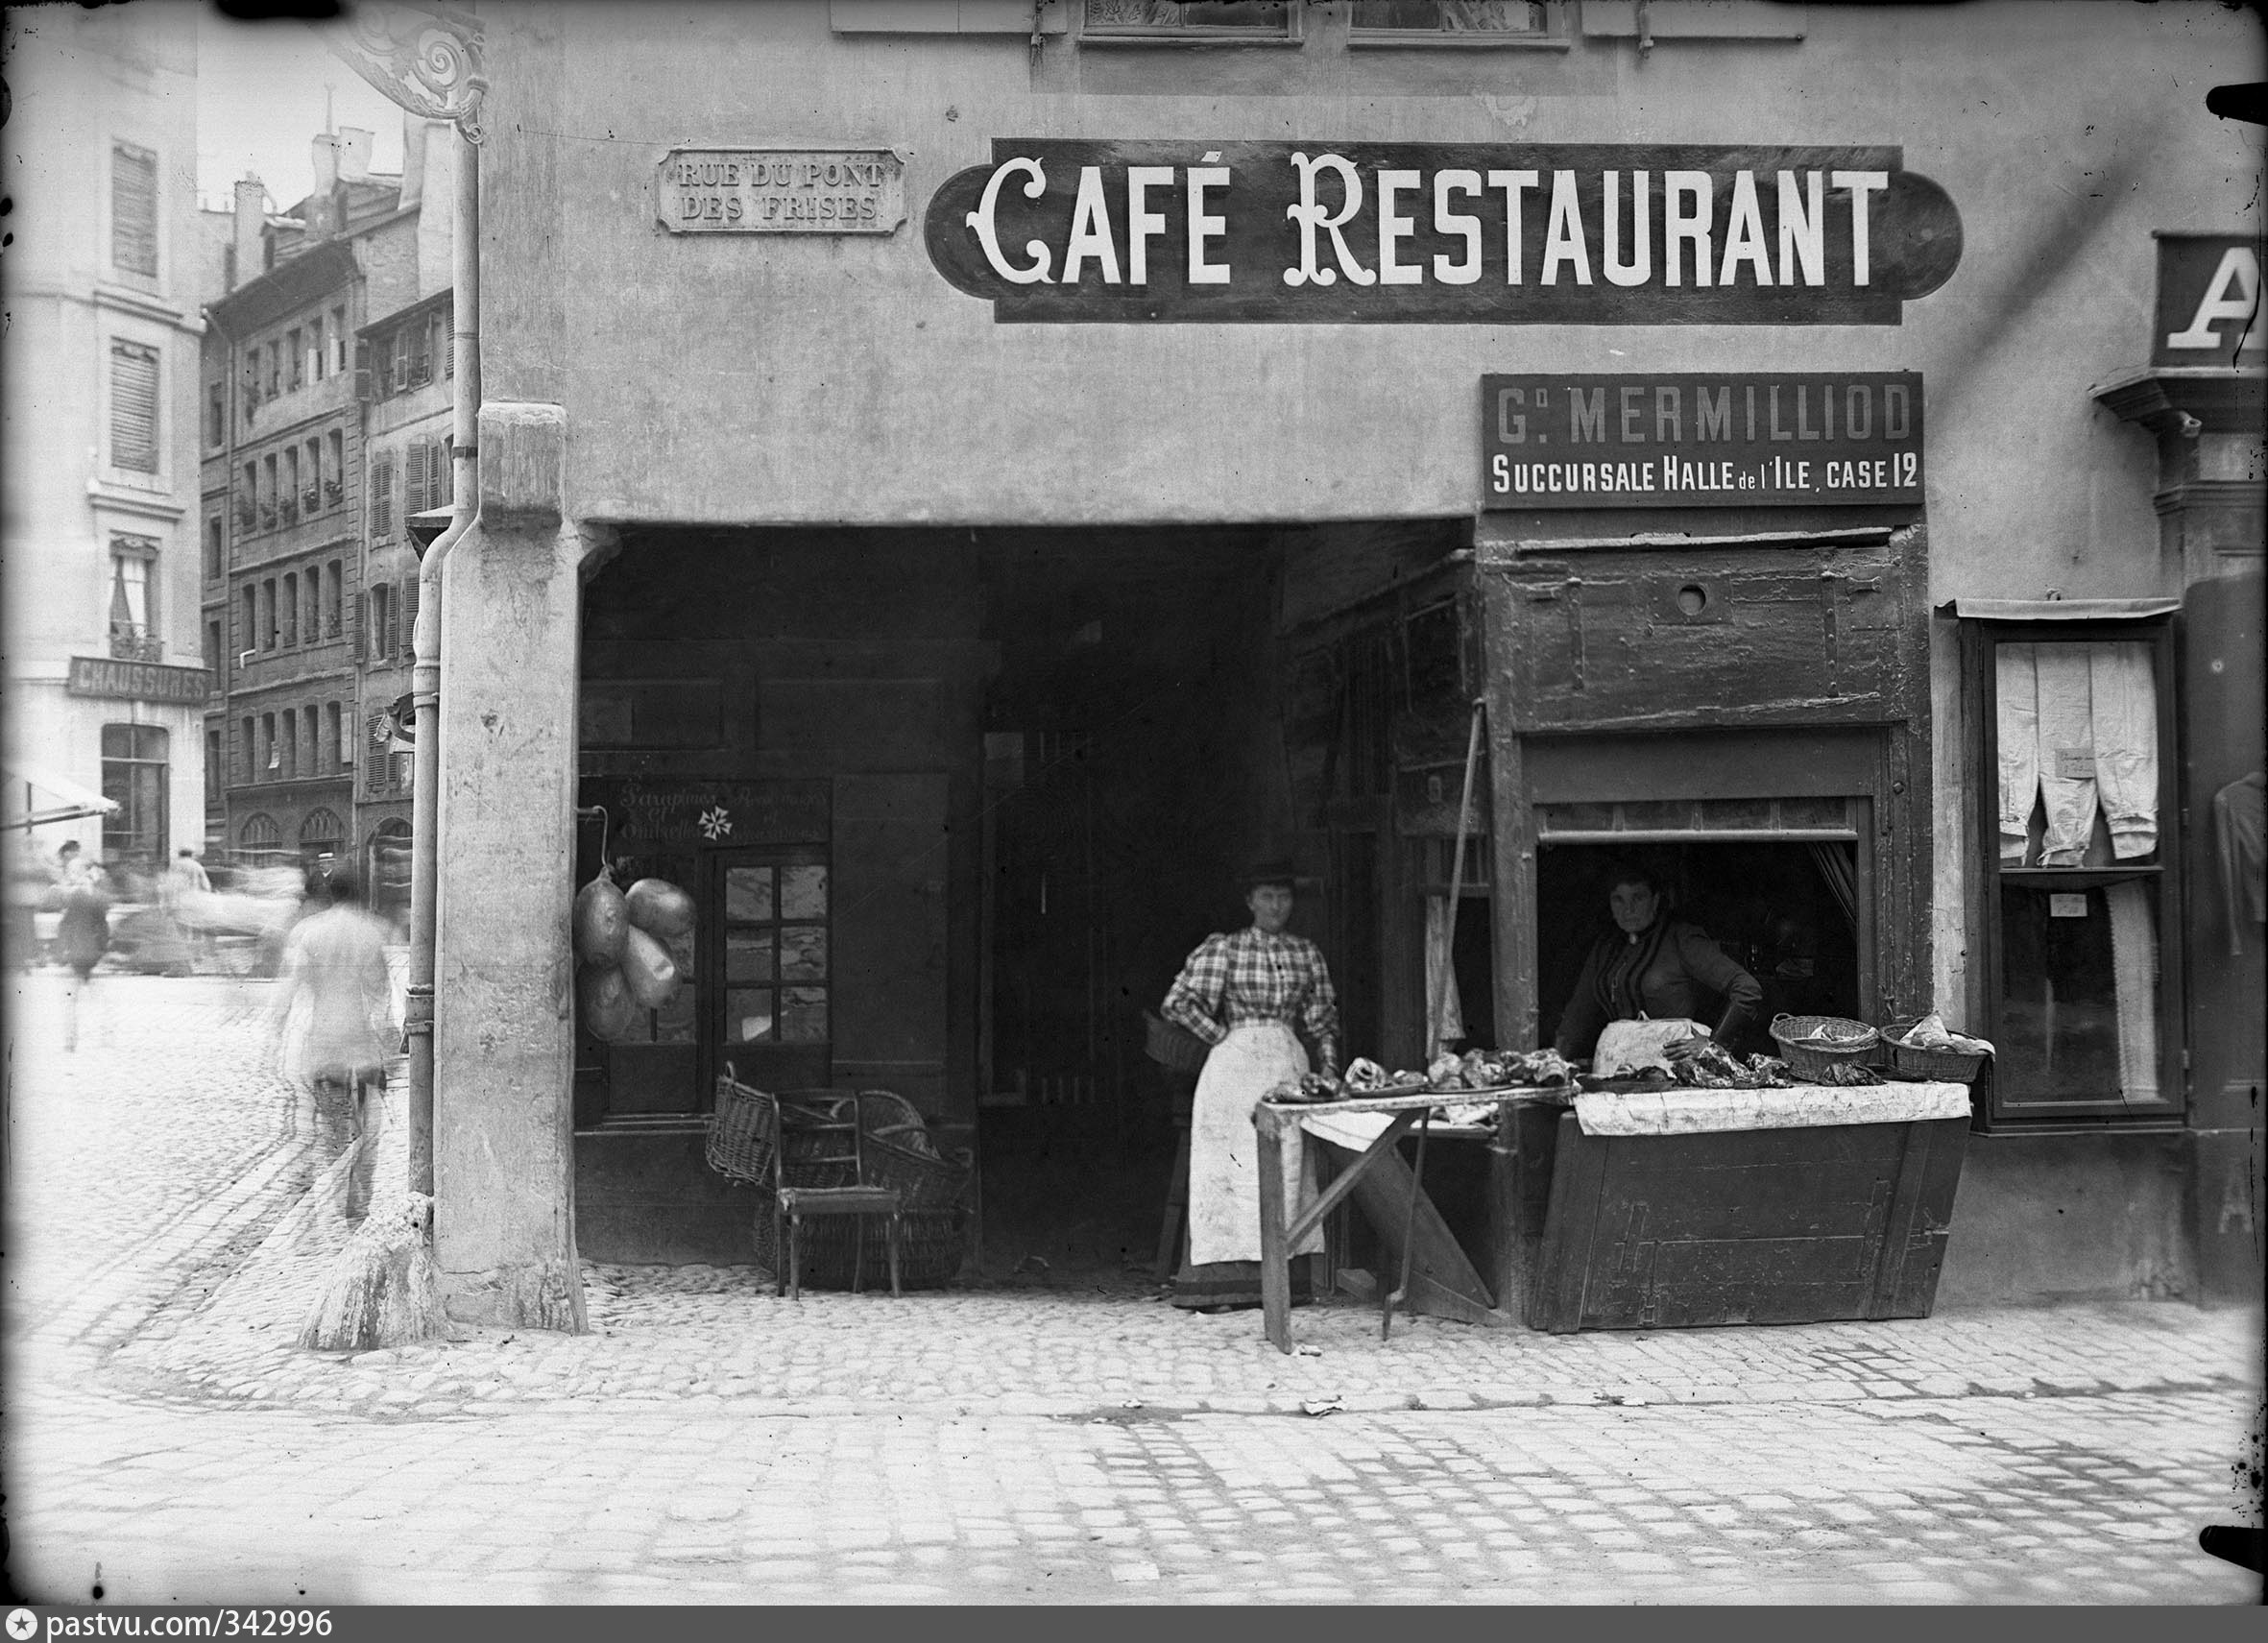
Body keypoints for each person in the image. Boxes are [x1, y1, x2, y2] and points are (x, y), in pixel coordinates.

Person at [1159, 858, 1339, 1312]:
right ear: (1250, 901)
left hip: (1286, 1066)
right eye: (1267, 897)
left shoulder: (1306, 953)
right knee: (1229, 1172)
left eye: (1284, 897)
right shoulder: (1227, 949)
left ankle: (1283, 1284)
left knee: (1287, 1168)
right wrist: (1223, 1036)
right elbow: (1177, 1002)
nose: (1276, 906)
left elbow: (1322, 1020)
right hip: (1233, 1072)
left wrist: (1329, 1069)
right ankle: (1220, 1287)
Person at [274, 869, 397, 1220]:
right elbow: (380, 997)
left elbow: (291, 989)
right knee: (368, 1128)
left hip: (323, 1048)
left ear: (330, 893)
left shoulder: (309, 932)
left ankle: (339, 1194)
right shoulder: (371, 933)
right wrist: (389, 1047)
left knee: (333, 1129)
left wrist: (276, 1034)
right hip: (362, 1049)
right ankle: (357, 1204)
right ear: (360, 893)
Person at [1552, 864, 1765, 1061]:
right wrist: (1553, 1065)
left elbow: (1747, 988)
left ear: (1655, 900)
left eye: (1638, 898)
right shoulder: (1605, 948)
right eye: (1619, 899)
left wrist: (1714, 1045)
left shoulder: (1681, 939)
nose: (1628, 909)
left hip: (1674, 1064)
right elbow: (1576, 1016)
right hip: (1617, 1062)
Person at [57, 861, 111, 1051]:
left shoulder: (74, 898)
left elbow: (64, 926)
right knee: (98, 998)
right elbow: (103, 927)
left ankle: (70, 1040)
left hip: (76, 954)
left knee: (72, 999)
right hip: (92, 955)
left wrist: (62, 952)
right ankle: (104, 1036)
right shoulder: (98, 899)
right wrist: (103, 949)